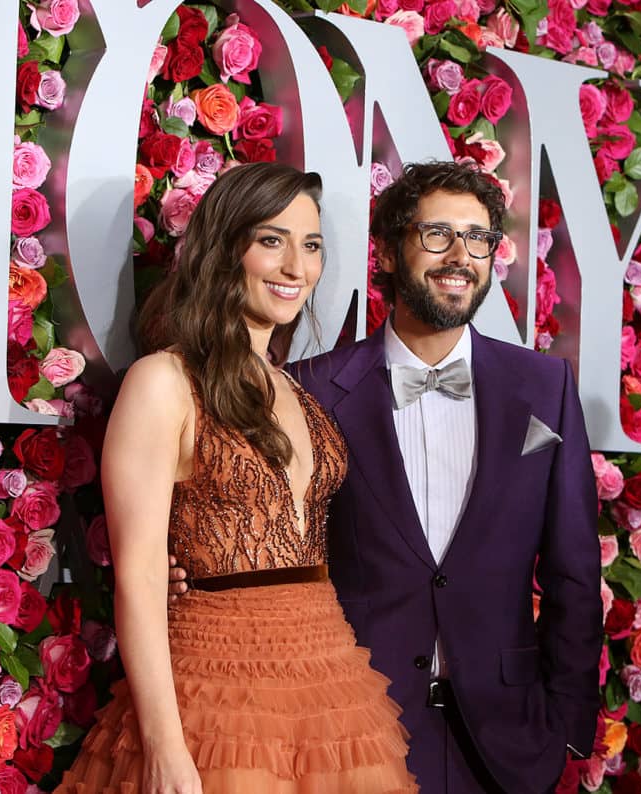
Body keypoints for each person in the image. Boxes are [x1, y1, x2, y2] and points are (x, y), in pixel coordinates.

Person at [170, 160, 603, 793]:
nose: (460, 255)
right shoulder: (309, 388)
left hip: (511, 736)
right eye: (436, 235)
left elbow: (574, 570)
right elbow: (269, 528)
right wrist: (180, 572)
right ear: (391, 252)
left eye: (478, 238)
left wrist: (566, 722)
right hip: (356, 727)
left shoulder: (545, 387)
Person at [56, 162, 417, 794]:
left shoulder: (297, 391)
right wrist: (166, 749)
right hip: (216, 687)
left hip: (328, 680)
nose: (295, 268)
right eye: (271, 240)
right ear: (227, 247)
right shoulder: (163, 382)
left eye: (311, 247)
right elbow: (139, 577)